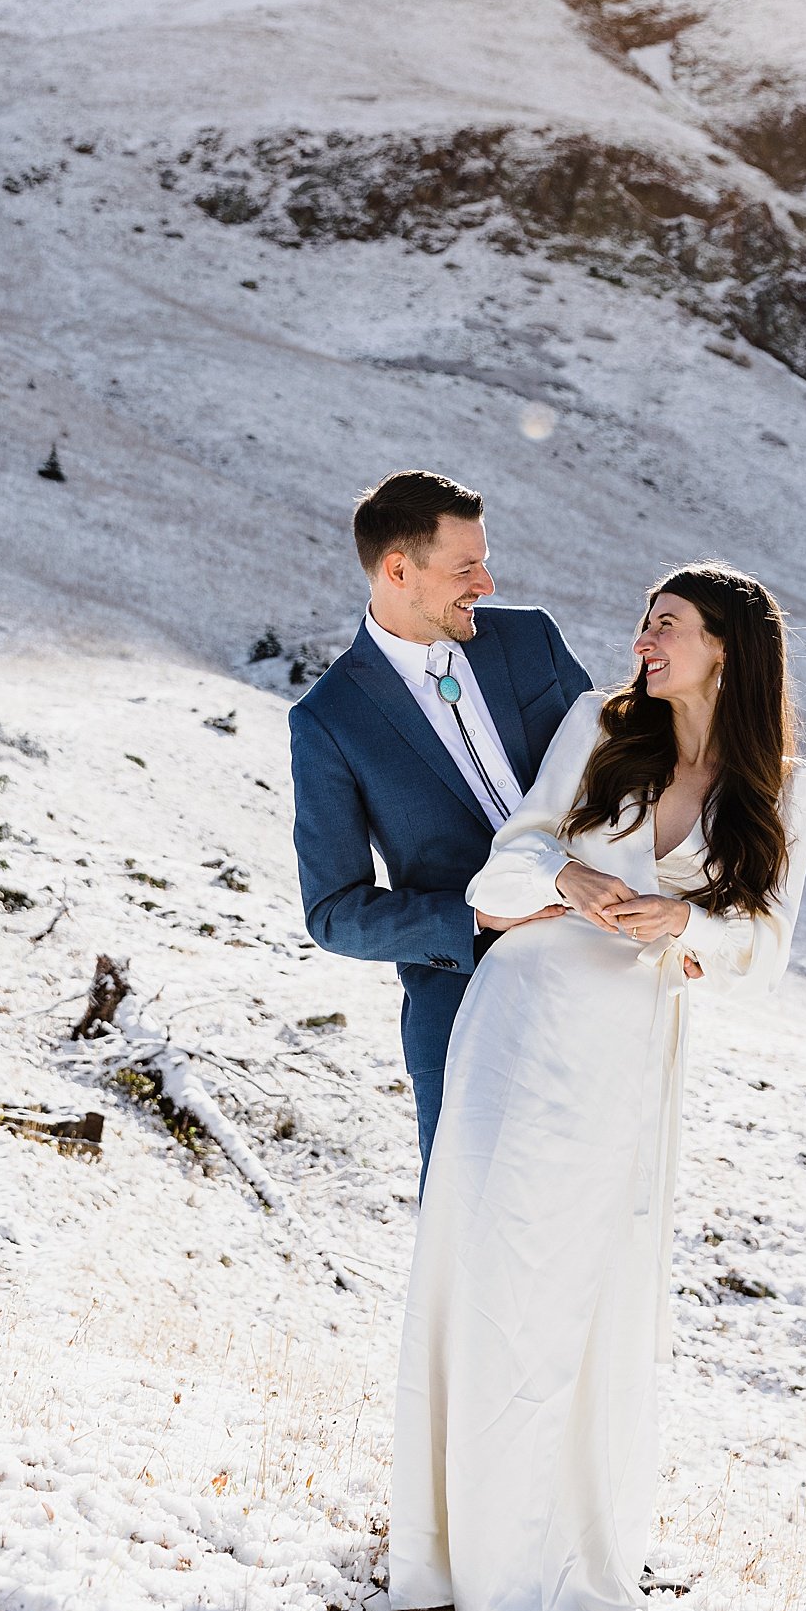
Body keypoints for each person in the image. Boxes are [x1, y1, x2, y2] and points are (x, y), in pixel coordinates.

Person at [390, 564, 806, 1611]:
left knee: (575, 1301)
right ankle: (448, 1552)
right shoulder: (600, 721)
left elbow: (761, 951)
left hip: (624, 1053)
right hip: (524, 1009)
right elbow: (514, 857)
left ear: (727, 644)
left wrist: (681, 917)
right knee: (490, 1274)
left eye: (666, 623)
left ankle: (543, 1556)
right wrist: (569, 884)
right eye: (642, 618)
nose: (642, 637)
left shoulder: (784, 783)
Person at [289, 470, 591, 1178]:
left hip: (599, 982)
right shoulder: (329, 721)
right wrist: (475, 918)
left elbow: (624, 782)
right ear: (399, 569)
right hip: (464, 1015)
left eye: (484, 561)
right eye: (465, 567)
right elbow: (334, 912)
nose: (485, 582)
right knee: (472, 1242)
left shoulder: (532, 640)